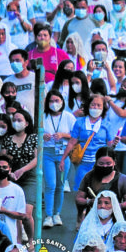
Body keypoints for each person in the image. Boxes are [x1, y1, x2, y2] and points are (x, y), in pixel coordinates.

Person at [42, 90, 76, 228]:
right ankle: (48, 215)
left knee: (60, 185)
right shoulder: (43, 117)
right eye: (51, 101)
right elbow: (35, 133)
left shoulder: (68, 116)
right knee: (50, 184)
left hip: (63, 153)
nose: (54, 104)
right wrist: (42, 136)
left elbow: (75, 135)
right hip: (47, 153)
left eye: (57, 101)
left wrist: (63, 134)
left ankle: (57, 213)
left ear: (62, 102)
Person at [0, 155, 25, 246]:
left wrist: (4, 211)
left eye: (4, 167)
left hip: (10, 238)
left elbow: (21, 216)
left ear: (9, 170)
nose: (1, 169)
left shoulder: (16, 190)